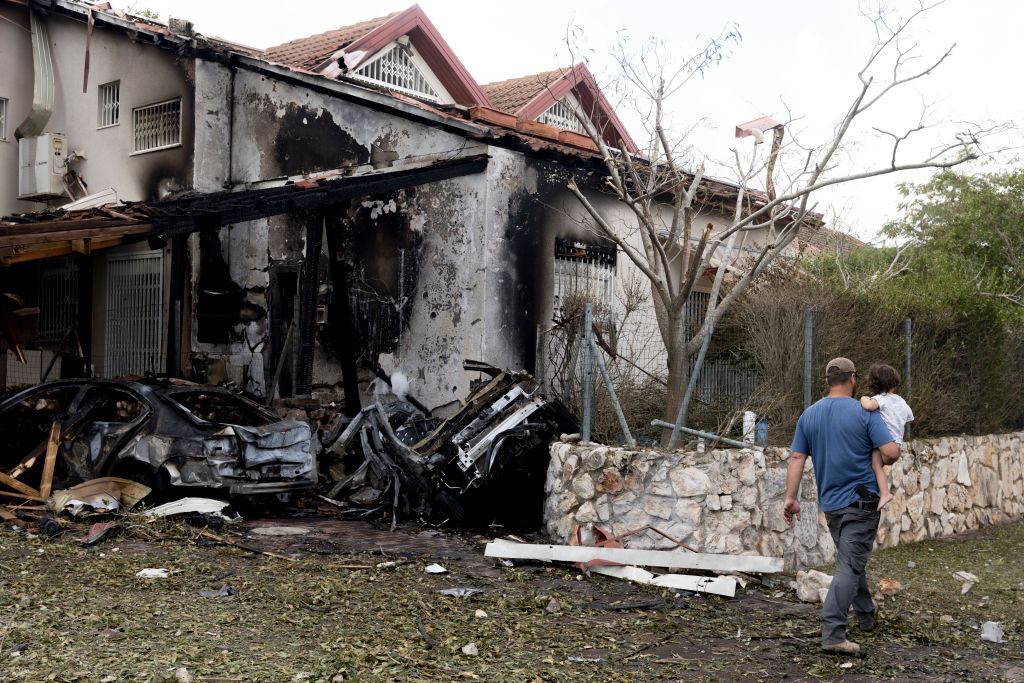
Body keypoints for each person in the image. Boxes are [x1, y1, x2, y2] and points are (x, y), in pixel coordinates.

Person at [783, 357, 900, 654]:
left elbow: (797, 458)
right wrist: (884, 452)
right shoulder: (864, 412)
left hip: (832, 505)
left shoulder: (809, 415)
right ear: (852, 379)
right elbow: (890, 452)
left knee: (852, 561)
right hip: (862, 503)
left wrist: (791, 498)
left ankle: (865, 616)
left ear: (826, 381)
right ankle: (834, 633)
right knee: (849, 565)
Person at [859, 363, 915, 510]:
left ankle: (884, 493)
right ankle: (883, 492)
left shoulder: (880, 398)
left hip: (884, 445)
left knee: (875, 465)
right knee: (878, 466)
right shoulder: (901, 401)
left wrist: (863, 398)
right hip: (896, 444)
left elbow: (869, 406)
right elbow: (908, 418)